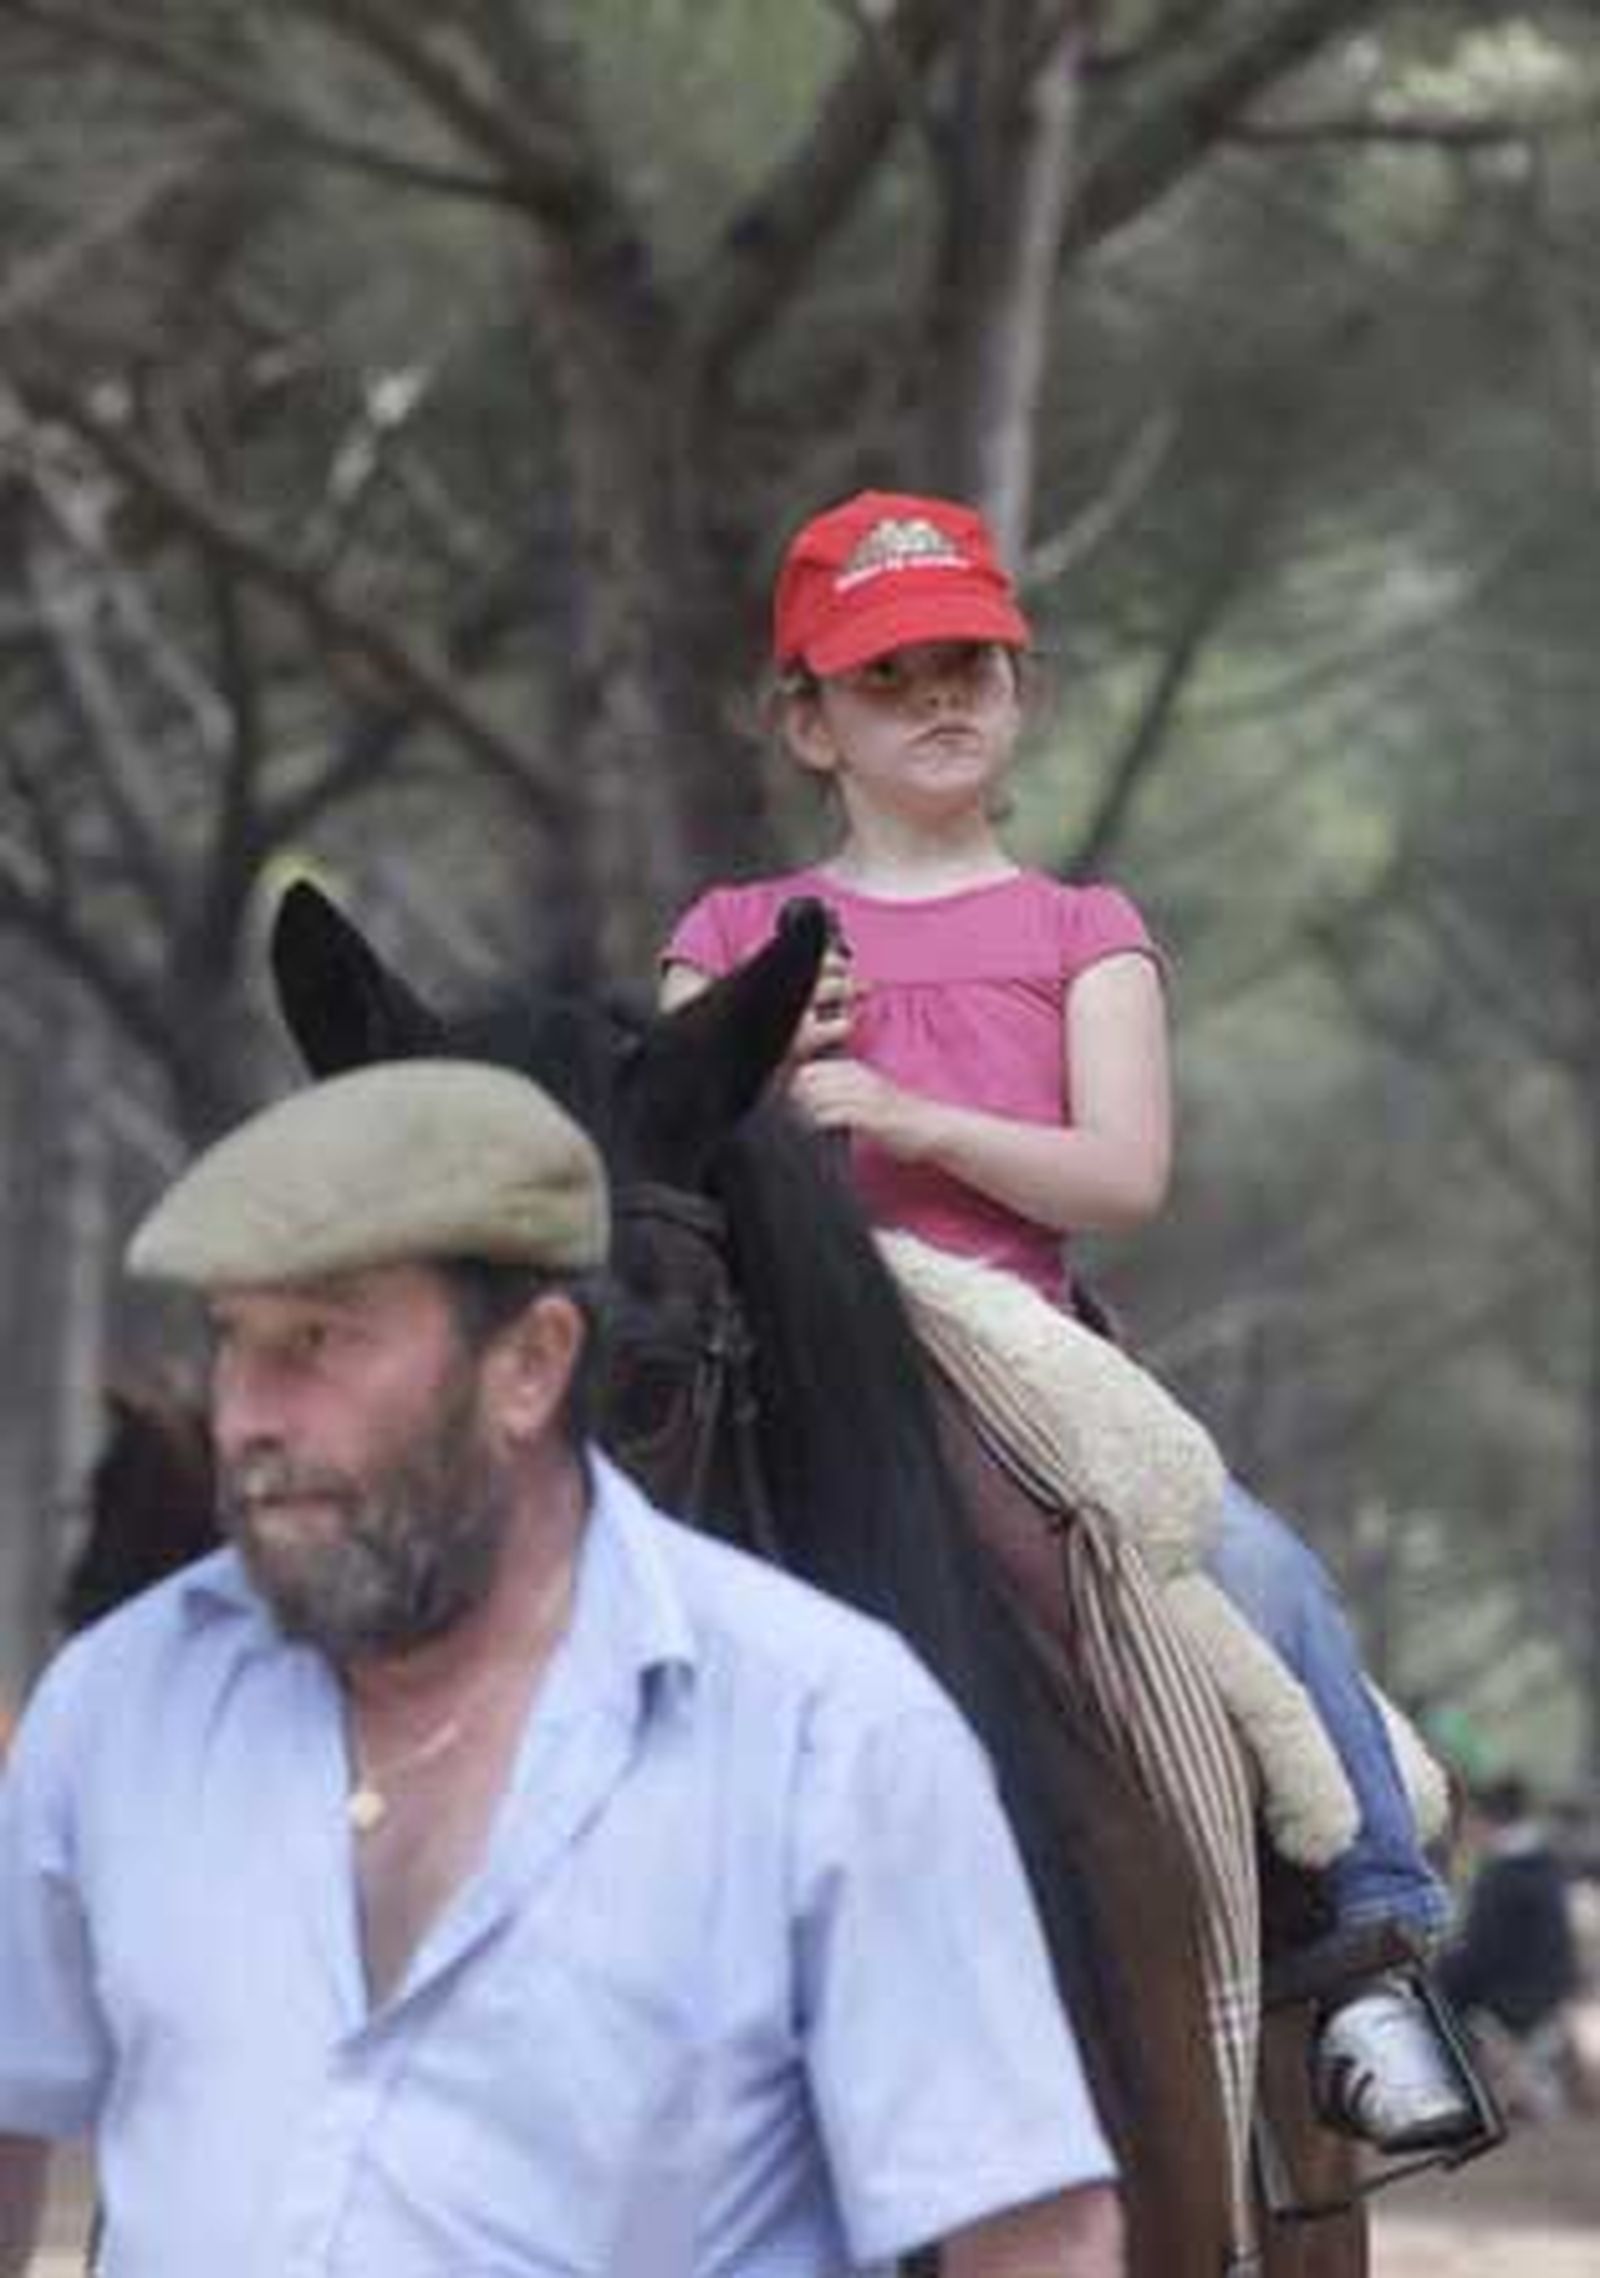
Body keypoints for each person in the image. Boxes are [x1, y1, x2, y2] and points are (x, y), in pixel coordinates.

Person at [0, 1058, 1122, 2278]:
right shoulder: (113, 1710)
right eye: (235, 1344)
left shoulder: (829, 1738)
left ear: (530, 1364)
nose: (248, 1417)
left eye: (317, 1342)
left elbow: (1037, 2242)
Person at [660, 487, 1477, 2156]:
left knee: (1256, 1569)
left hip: (1027, 1355)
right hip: (806, 1351)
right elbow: (668, 1146)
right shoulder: (733, 934)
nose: (943, 698)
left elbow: (1120, 1172)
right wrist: (756, 1061)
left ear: (1019, 690)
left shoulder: (1080, 931)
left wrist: (898, 1115)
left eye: (971, 663)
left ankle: (1373, 1949)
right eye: (892, 676)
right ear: (810, 719)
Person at [1435, 1774, 1580, 2116]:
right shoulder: (1546, 1863)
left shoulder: (1502, 1875)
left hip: (1513, 1997)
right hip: (1553, 1988)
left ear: (1486, 1819)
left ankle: (1451, 2093)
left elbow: (1483, 1954)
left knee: (1433, 1996)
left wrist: (1439, 1975)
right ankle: (1527, 2084)